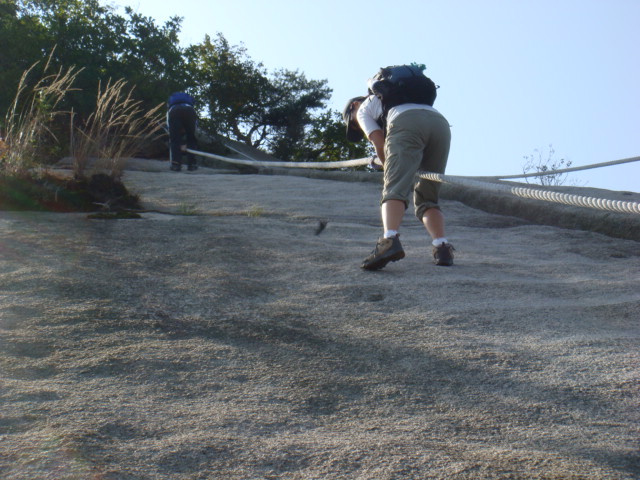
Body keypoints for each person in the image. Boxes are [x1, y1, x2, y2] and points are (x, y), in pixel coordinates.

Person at [343, 68, 454, 270]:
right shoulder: (391, 100)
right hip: (439, 124)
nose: (357, 127)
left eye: (353, 124)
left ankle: (389, 241)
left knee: (394, 187)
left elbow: (379, 145)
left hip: (406, 122)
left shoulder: (363, 109)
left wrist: (383, 162)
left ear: (353, 106)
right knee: (427, 196)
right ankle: (442, 247)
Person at [167, 92, 198, 171]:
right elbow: (195, 126)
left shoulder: (171, 108)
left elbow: (170, 128)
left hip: (174, 112)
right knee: (191, 138)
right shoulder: (191, 107)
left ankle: (176, 164)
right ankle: (192, 164)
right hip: (189, 112)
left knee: (174, 139)